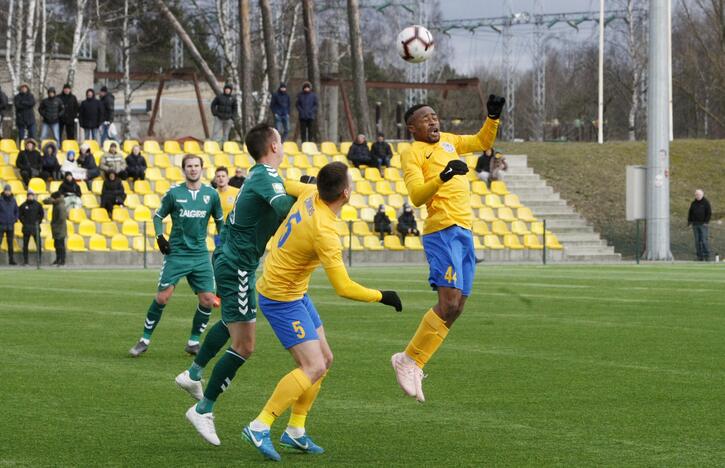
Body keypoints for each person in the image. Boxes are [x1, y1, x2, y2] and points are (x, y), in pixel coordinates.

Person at [240, 162, 402, 461]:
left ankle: (295, 431)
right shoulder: (325, 230)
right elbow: (343, 287)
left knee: (325, 360)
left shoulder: (308, 193)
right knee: (312, 366)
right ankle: (259, 425)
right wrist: (382, 296)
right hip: (280, 297)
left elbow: (284, 182)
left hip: (294, 291)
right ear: (345, 192)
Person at [178, 124, 308, 446]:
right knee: (245, 345)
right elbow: (282, 208)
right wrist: (312, 197)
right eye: (281, 138)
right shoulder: (266, 176)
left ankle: (193, 374)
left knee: (231, 322)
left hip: (236, 261)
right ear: (274, 145)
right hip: (236, 264)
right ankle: (202, 409)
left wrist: (303, 191)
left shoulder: (263, 175)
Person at [390, 94, 504, 402]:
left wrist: (492, 118)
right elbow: (415, 195)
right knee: (448, 301)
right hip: (441, 231)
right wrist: (444, 175)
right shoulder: (412, 152)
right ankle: (409, 360)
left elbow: (482, 141)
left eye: (435, 116)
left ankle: (412, 361)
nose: (433, 121)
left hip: (464, 230)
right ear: (412, 128)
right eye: (425, 119)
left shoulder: (451, 142)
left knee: (458, 307)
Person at [128, 154, 224, 357]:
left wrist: (222, 243)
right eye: (189, 166)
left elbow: (220, 221)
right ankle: (144, 339)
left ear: (202, 168)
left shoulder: (211, 195)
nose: (193, 169)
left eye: (196, 165)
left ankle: (193, 342)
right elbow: (158, 216)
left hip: (200, 255)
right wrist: (160, 237)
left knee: (208, 299)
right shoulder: (174, 193)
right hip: (177, 254)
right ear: (184, 169)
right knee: (163, 297)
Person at [18, 189, 44, 265]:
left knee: (38, 245)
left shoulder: (38, 205)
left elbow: (41, 214)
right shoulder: (23, 205)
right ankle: (25, 261)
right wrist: (24, 222)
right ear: (27, 196)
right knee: (25, 245)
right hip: (26, 228)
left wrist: (38, 222)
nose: (30, 197)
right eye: (29, 195)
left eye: (31, 195)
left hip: (35, 228)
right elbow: (20, 215)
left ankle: (39, 260)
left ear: (33, 196)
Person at [43, 191, 67, 266]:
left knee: (60, 245)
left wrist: (54, 225)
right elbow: (45, 201)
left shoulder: (60, 206)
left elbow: (61, 218)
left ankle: (61, 260)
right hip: (58, 228)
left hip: (59, 228)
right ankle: (58, 259)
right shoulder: (57, 203)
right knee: (57, 244)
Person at [688, 189, 712, 261]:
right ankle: (699, 256)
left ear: (702, 195)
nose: (697, 196)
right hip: (695, 224)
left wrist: (706, 222)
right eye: (696, 195)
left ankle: (706, 256)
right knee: (697, 241)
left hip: (703, 225)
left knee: (704, 240)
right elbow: (690, 212)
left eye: (699, 195)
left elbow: (709, 213)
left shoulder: (706, 202)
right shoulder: (693, 203)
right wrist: (689, 222)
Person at [0, 184, 19, 265]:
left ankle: (11, 260)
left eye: (9, 190)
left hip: (10, 225)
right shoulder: (0, 200)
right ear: (4, 191)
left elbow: (16, 211)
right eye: (6, 190)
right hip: (1, 224)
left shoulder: (13, 200)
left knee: (10, 243)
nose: (7, 192)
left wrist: (15, 219)